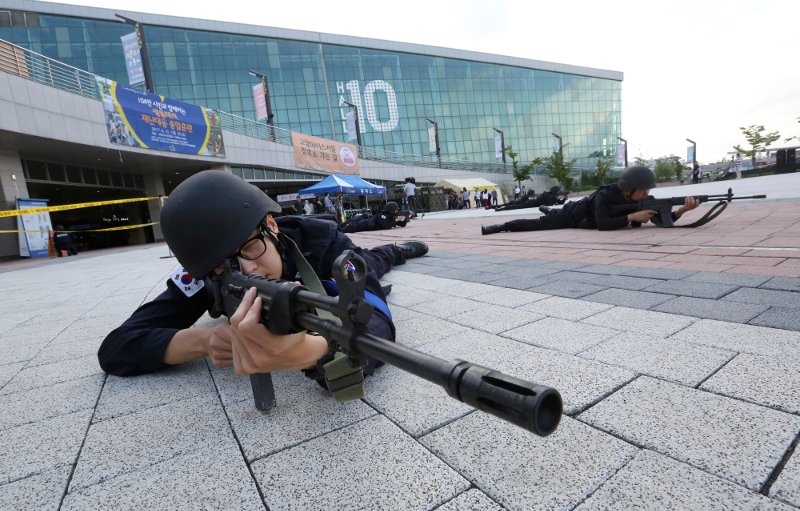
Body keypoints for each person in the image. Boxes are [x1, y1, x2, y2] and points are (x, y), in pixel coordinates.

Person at [98, 170, 429, 380]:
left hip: (341, 261)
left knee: (372, 261)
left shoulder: (321, 241)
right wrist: (204, 340)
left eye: (249, 249)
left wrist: (314, 352)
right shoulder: (206, 272)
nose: (246, 270)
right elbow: (117, 347)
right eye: (223, 267)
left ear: (270, 226)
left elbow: (376, 320)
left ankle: (398, 250)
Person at [481, 166, 699, 235]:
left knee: (551, 212)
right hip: (572, 216)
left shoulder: (642, 199)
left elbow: (660, 220)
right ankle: (502, 226)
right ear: (629, 188)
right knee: (539, 224)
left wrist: (681, 212)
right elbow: (603, 225)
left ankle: (548, 209)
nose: (645, 195)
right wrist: (632, 216)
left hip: (583, 213)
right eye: (642, 191)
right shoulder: (605, 195)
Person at [338, 202, 410, 233]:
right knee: (351, 226)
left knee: (353, 224)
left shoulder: (391, 216)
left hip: (368, 223)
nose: (397, 211)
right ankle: (338, 229)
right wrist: (396, 220)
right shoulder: (382, 215)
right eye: (395, 210)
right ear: (391, 210)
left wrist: (405, 218)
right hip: (366, 224)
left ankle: (339, 227)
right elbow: (386, 226)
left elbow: (402, 224)